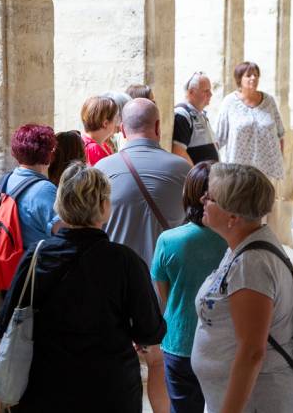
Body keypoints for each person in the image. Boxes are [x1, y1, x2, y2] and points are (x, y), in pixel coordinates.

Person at [0, 162, 166, 412]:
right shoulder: (125, 261)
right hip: (110, 391)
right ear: (105, 207)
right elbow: (150, 331)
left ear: (60, 204)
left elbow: (3, 323)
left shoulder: (37, 257)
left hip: (47, 390)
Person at [96, 98, 191, 413]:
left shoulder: (101, 170)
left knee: (116, 369)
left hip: (115, 289)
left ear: (121, 130)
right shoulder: (182, 171)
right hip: (166, 289)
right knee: (160, 365)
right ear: (159, 127)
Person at [191, 163, 293, 412]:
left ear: (233, 217)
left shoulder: (251, 265)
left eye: (210, 197)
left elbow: (252, 351)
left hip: (259, 400)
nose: (202, 199)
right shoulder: (243, 247)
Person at [151, 161, 227, 413]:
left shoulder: (169, 241)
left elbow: (166, 295)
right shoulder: (234, 239)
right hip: (223, 343)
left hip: (180, 340)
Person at [215, 61, 285, 181]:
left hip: (268, 170)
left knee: (266, 199)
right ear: (239, 79)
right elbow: (218, 138)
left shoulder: (269, 101)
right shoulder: (229, 102)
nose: (253, 78)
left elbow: (280, 134)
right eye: (248, 75)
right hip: (238, 172)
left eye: (256, 75)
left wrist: (280, 160)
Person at [3, 124, 63, 247]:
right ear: (48, 154)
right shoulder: (44, 189)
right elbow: (63, 232)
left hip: (6, 262)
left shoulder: (4, 180)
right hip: (34, 263)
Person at [172, 71, 219, 164]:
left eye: (210, 90)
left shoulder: (201, 113)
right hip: (198, 177)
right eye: (206, 91)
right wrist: (196, 175)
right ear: (191, 92)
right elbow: (179, 152)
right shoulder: (182, 115)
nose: (210, 94)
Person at [80, 95, 119, 166]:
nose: (117, 124)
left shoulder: (102, 144)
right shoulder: (94, 149)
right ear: (105, 123)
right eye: (115, 119)